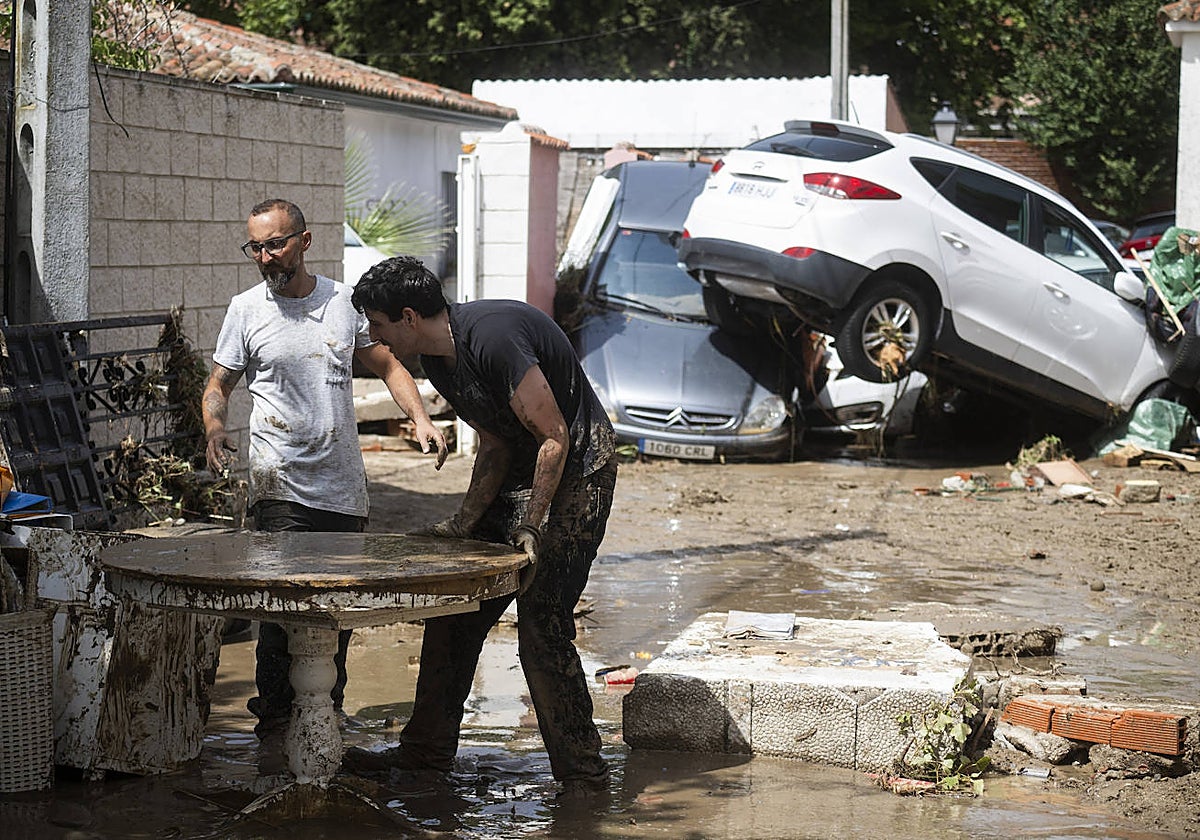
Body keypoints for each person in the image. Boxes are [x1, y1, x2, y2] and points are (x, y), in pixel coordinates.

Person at [344, 255, 618, 799]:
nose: (372, 335)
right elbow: (495, 442)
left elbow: (555, 437)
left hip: (577, 471)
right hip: (524, 469)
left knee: (543, 626)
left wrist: (532, 526)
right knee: (455, 610)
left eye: (376, 323)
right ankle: (425, 755)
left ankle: (582, 776)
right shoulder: (436, 358)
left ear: (406, 316)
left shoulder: (492, 337)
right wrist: (464, 524)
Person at [202, 199, 447, 736]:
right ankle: (275, 726)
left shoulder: (342, 302)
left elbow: (388, 365)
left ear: (304, 242)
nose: (266, 256)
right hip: (278, 483)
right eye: (256, 247)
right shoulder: (245, 310)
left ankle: (324, 721)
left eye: (276, 244)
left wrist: (422, 419)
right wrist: (215, 429)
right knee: (280, 610)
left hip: (342, 489)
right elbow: (218, 385)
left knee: (335, 613)